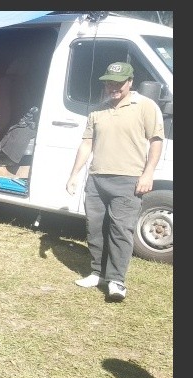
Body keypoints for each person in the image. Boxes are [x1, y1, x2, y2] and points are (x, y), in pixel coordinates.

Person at [66, 62, 164, 301]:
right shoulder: (98, 110)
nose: (113, 87)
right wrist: (74, 174)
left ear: (130, 82)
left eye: (119, 83)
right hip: (97, 178)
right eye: (109, 82)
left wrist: (148, 173)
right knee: (95, 227)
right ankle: (97, 273)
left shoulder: (145, 106)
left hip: (129, 179)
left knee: (121, 231)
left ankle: (117, 281)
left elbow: (156, 141)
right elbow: (87, 143)